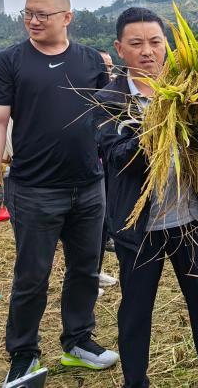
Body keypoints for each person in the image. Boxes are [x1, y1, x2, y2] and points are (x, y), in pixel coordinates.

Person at [0, 0, 118, 385]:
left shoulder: (92, 60)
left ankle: (78, 342)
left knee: (86, 269)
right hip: (35, 189)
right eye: (28, 14)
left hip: (89, 185)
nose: (33, 21)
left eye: (43, 15)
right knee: (31, 276)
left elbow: (112, 114)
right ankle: (23, 353)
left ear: (67, 18)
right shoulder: (9, 62)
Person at [94, 7, 198, 388]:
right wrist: (160, 125)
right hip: (138, 228)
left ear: (167, 46)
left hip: (190, 219)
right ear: (119, 48)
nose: (147, 51)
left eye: (155, 42)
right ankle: (135, 382)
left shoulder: (190, 91)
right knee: (137, 311)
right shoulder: (108, 100)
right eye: (136, 43)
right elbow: (118, 155)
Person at [95, 49, 117, 294]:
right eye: (103, 66)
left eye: (110, 66)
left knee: (103, 225)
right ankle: (88, 277)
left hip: (110, 172)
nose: (107, 71)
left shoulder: (116, 93)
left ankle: (96, 271)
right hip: (94, 171)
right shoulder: (91, 97)